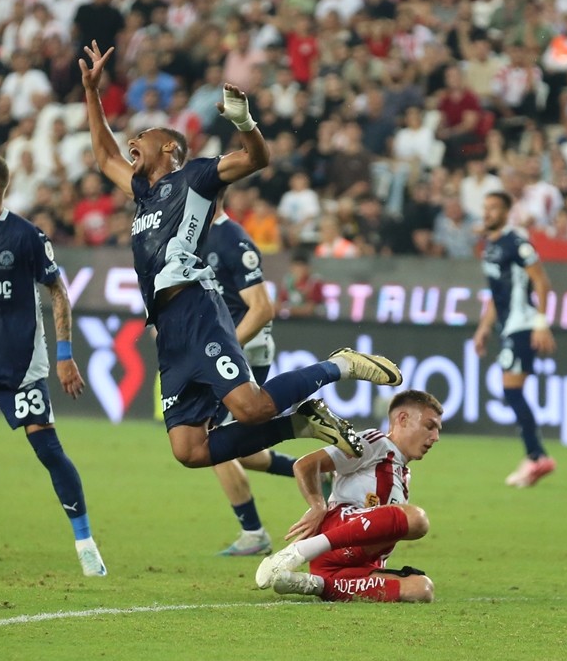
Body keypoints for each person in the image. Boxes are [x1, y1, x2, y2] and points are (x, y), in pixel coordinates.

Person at [80, 41, 403, 470]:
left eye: (145, 136)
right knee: (190, 451)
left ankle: (339, 365)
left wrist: (245, 122)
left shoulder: (194, 178)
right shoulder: (143, 195)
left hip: (197, 309)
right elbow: (104, 156)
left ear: (170, 150)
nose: (133, 140)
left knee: (251, 407)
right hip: (169, 328)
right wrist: (91, 91)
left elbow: (257, 157)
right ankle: (302, 424)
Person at [0, 154, 106, 577]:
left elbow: (58, 292)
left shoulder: (26, 237)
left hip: (20, 364)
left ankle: (86, 545)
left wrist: (65, 356)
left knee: (48, 451)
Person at [254, 390, 443, 603]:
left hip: (356, 567)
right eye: (430, 426)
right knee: (416, 519)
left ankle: (316, 585)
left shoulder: (403, 473)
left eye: (437, 430)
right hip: (334, 539)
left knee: (422, 589)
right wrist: (318, 505)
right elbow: (306, 465)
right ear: (403, 419)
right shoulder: (377, 443)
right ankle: (297, 551)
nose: (435, 437)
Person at [205, 189, 298, 557]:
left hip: (243, 350)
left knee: (210, 440)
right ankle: (313, 469)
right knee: (237, 447)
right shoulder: (194, 235)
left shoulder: (233, 239)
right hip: (222, 349)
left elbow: (262, 309)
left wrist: (226, 346)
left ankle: (253, 532)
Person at [473, 191, 558, 488]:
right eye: (485, 207)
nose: (487, 213)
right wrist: (483, 329)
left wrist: (541, 323)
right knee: (512, 391)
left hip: (523, 323)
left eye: (494, 208)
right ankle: (535, 456)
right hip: (507, 326)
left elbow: (542, 282)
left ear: (507, 212)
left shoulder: (517, 243)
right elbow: (497, 295)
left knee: (512, 391)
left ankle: (537, 456)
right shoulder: (489, 246)